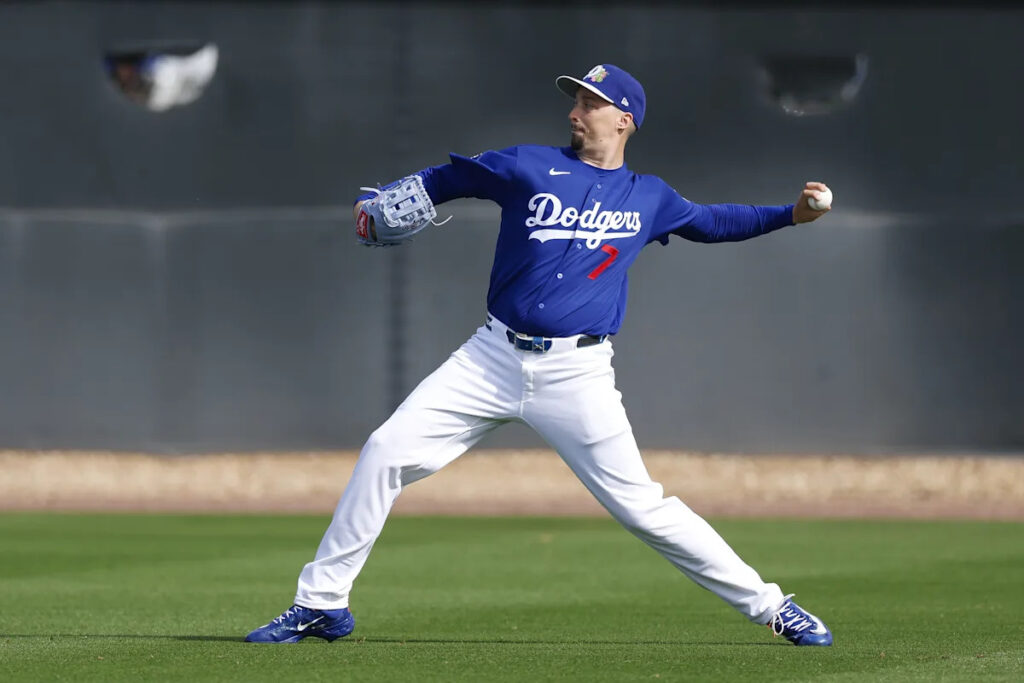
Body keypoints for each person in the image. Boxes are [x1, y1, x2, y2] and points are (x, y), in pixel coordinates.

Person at [245, 64, 834, 646]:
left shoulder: (649, 197)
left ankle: (773, 607)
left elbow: (712, 222)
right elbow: (451, 177)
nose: (576, 112)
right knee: (384, 453)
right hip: (490, 358)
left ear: (624, 119)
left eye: (590, 103)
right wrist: (399, 194)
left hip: (577, 373)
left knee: (642, 507)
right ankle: (322, 603)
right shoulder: (528, 165)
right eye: (575, 101)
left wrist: (790, 215)